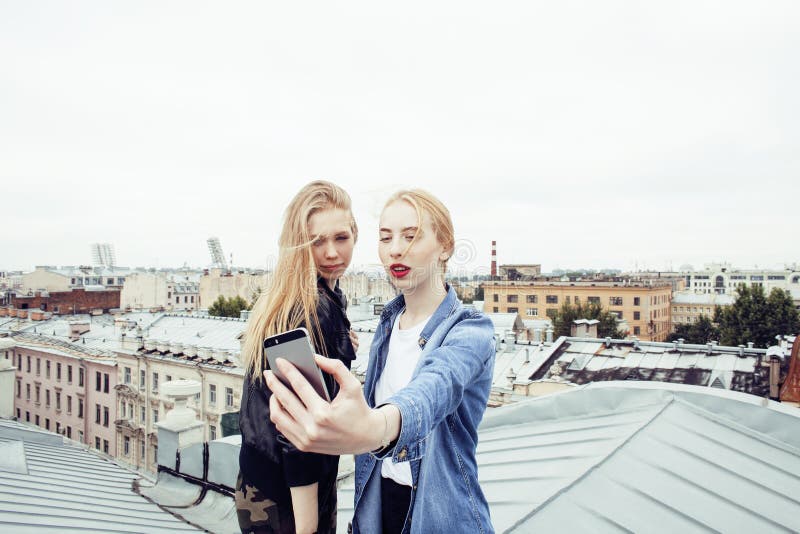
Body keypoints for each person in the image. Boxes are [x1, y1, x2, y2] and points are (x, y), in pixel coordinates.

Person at [265, 189, 496, 533]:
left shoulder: (470, 330)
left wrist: (373, 430)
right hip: (377, 510)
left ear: (446, 246)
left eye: (411, 235)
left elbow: (433, 390)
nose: (395, 249)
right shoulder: (387, 326)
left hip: (439, 516)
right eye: (385, 237)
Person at [237, 180, 359, 534]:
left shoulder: (316, 295)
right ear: (298, 246)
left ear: (355, 234)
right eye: (317, 242)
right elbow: (295, 426)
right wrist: (307, 525)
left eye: (341, 238)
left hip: (265, 477)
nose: (332, 253)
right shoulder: (312, 308)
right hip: (286, 493)